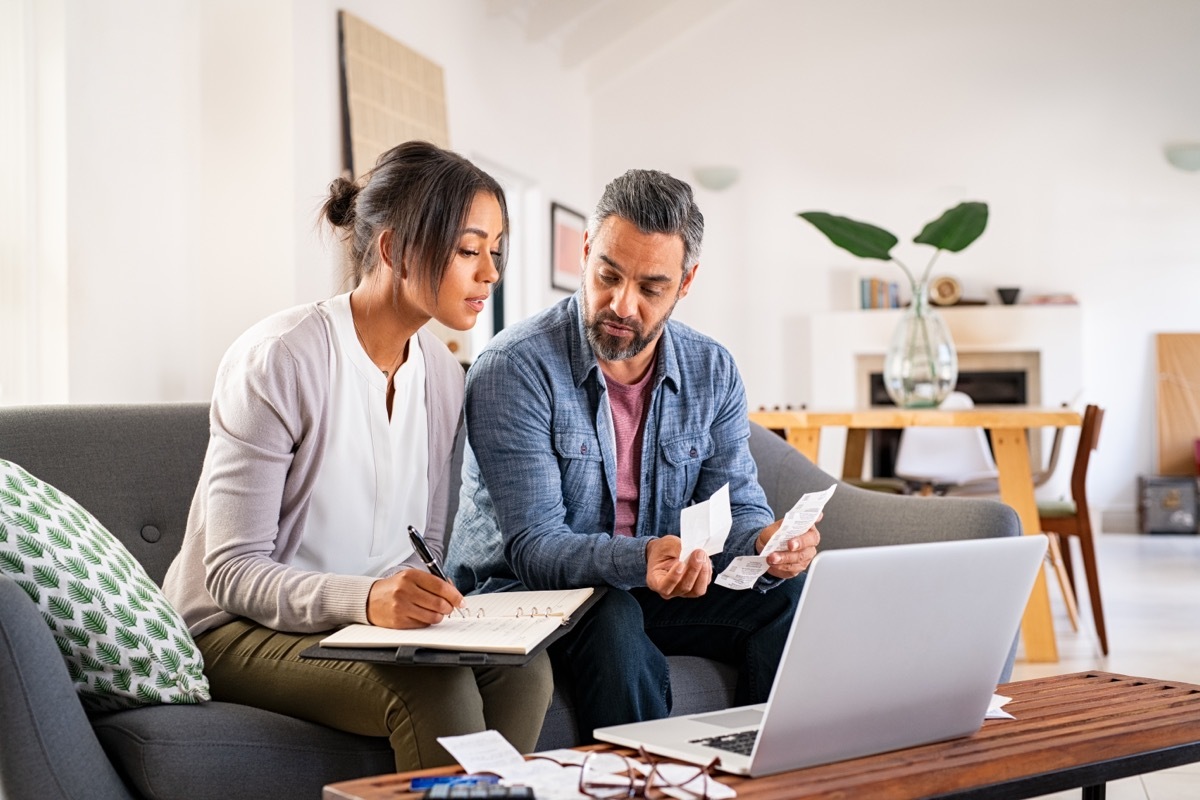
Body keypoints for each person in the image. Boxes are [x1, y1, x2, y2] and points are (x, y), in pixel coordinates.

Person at [163, 141, 554, 770]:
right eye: (468, 249)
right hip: (236, 629)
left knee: (525, 671)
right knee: (438, 686)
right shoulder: (281, 359)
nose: (489, 273)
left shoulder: (447, 378)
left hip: (362, 628)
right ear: (394, 249)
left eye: (496, 251)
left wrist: (428, 603)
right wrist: (368, 600)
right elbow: (231, 572)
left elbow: (420, 546)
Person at [446, 168, 819, 740]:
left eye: (650, 288)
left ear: (685, 283)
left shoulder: (711, 369)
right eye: (608, 275)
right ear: (587, 251)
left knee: (788, 598)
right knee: (614, 617)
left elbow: (739, 506)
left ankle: (760, 777)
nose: (622, 304)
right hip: (522, 595)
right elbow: (534, 549)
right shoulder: (515, 368)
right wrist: (645, 558)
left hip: (647, 584)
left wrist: (766, 542)